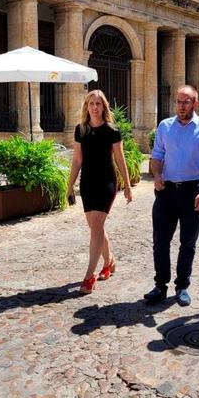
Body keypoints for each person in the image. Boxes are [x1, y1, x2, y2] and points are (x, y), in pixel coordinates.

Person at [144, 85, 199, 307]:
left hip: (191, 191)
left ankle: (182, 286)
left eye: (186, 102)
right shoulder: (165, 127)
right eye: (178, 101)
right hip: (166, 191)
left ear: (195, 103)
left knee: (188, 242)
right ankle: (160, 286)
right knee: (160, 242)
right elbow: (156, 155)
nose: (181, 106)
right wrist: (156, 175)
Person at [68, 90, 132, 294]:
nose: (95, 107)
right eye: (91, 103)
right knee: (95, 227)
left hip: (106, 183)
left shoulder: (112, 130)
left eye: (98, 104)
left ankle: (88, 277)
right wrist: (69, 185)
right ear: (86, 107)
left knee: (96, 227)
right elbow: (77, 160)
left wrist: (128, 186)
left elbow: (119, 159)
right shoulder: (81, 130)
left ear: (104, 107)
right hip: (87, 184)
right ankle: (109, 261)